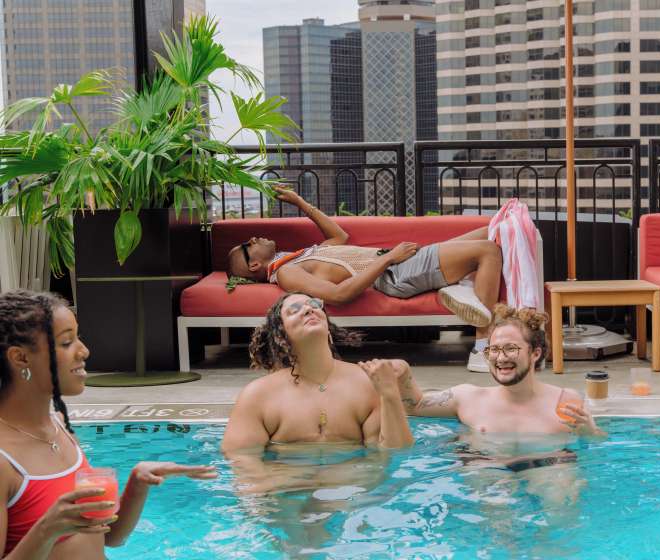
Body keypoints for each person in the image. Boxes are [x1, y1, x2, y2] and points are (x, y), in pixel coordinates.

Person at [0, 290, 216, 559]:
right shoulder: (4, 459)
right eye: (66, 342)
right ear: (21, 358)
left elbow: (111, 537)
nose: (84, 351)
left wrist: (138, 483)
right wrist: (46, 529)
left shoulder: (60, 429)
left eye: (79, 337)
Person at [227, 186, 503, 372]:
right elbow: (338, 295)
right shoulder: (286, 273)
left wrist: (300, 202)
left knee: (493, 230)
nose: (252, 238)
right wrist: (389, 258)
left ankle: (461, 287)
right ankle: (482, 346)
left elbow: (340, 238)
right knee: (489, 250)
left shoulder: (294, 258)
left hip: (398, 262)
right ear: (254, 264)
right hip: (394, 273)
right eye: (247, 245)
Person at [221, 292, 414, 455]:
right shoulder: (258, 396)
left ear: (328, 328)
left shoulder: (367, 382)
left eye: (314, 304)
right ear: (281, 337)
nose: (308, 309)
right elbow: (242, 461)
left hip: (354, 489)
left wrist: (390, 395)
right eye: (294, 310)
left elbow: (391, 454)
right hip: (286, 489)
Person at [393, 304, 605, 439]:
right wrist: (403, 372)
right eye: (494, 349)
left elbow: (595, 445)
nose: (501, 358)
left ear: (535, 353)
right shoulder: (468, 397)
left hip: (547, 466)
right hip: (489, 469)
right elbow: (416, 406)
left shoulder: (565, 401)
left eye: (511, 348)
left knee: (558, 484)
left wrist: (590, 432)